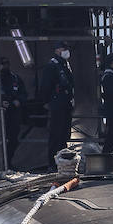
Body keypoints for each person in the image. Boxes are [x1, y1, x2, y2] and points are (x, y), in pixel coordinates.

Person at [40, 43, 75, 171]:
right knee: (56, 134)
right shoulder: (52, 65)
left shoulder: (65, 64)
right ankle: (52, 163)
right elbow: (45, 86)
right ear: (57, 50)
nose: (66, 51)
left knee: (65, 134)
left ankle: (63, 161)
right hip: (57, 103)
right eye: (64, 49)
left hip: (66, 103)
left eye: (67, 49)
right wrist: (47, 102)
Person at [0, 56, 27, 167]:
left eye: (6, 64)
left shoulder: (15, 78)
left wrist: (18, 101)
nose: (4, 67)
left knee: (13, 139)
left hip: (13, 114)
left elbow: (23, 94)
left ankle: (8, 162)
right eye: (2, 64)